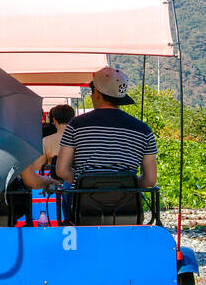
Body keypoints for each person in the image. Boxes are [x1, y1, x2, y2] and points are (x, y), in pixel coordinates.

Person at [22, 66, 156, 193]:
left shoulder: (76, 124)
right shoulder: (144, 130)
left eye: (92, 92)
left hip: (85, 206)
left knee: (68, 188)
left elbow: (62, 171)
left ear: (97, 93)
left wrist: (84, 181)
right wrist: (126, 184)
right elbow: (150, 180)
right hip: (128, 207)